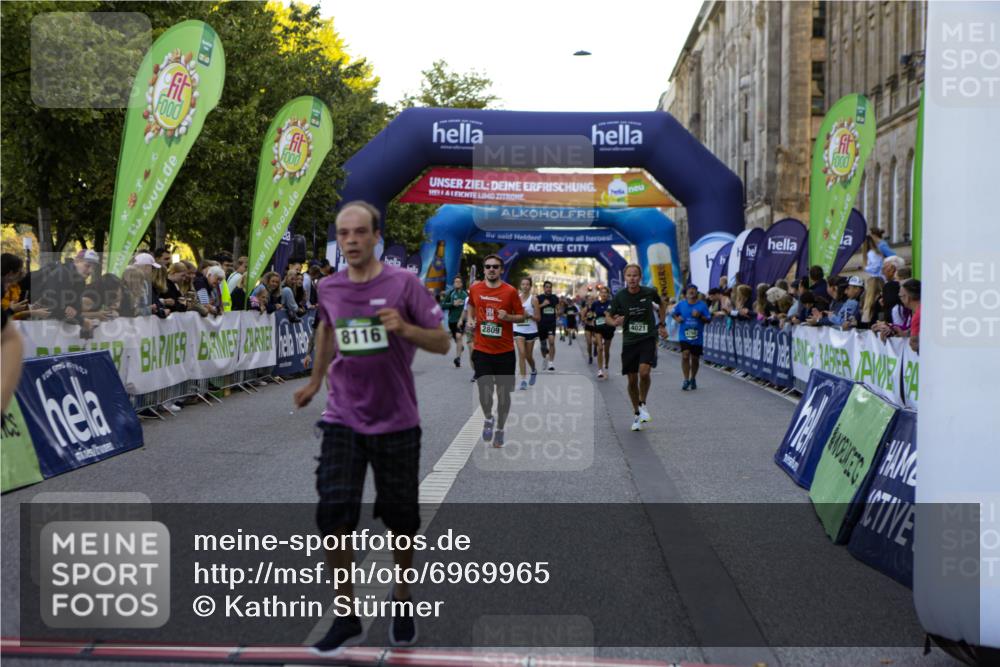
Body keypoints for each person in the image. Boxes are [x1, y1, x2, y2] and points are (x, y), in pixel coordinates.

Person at [293, 201, 449, 653]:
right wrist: (316, 381)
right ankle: (345, 616)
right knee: (333, 514)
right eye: (344, 234)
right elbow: (326, 329)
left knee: (401, 521)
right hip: (343, 418)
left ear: (376, 236)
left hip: (397, 421)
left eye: (360, 232)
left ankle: (402, 599)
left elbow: (442, 341)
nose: (352, 241)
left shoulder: (405, 284)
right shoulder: (330, 287)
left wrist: (404, 328)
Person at [465, 255, 525, 447]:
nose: (491, 269)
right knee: (484, 390)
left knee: (503, 394)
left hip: (505, 351)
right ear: (484, 269)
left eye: (495, 267)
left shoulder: (510, 292)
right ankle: (489, 417)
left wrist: (508, 317)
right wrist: (470, 320)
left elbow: (522, 317)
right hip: (482, 349)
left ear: (501, 270)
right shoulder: (475, 288)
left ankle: (500, 428)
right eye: (488, 266)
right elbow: (472, 305)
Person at [607, 265, 667, 431]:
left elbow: (662, 304)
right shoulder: (620, 296)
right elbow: (608, 316)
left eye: (635, 275)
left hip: (647, 338)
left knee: (644, 372)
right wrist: (613, 322)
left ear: (640, 277)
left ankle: (643, 404)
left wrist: (662, 324)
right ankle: (636, 413)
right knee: (632, 380)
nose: (632, 278)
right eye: (629, 276)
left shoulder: (648, 292)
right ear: (625, 278)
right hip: (629, 342)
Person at [672, 284, 712, 390]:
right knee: (685, 355)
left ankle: (693, 378)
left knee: (695, 358)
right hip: (684, 335)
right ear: (686, 292)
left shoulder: (702, 305)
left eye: (694, 289)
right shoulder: (681, 304)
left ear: (697, 292)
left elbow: (709, 320)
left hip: (697, 337)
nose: (692, 291)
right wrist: (677, 319)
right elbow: (673, 313)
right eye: (690, 289)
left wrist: (699, 316)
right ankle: (686, 379)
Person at [512, 276, 541, 390]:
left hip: (531, 330)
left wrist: (529, 316)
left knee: (528, 355)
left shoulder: (534, 300)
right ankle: (523, 380)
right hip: (518, 329)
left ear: (530, 286)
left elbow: (538, 318)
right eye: (523, 284)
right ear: (520, 286)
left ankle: (533, 370)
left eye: (527, 284)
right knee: (522, 353)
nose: (525, 286)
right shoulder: (516, 298)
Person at [441, 276, 469, 368]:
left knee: (459, 336)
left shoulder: (466, 295)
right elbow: (443, 305)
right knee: (457, 339)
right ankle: (460, 347)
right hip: (451, 321)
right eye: (455, 282)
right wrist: (452, 304)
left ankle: (458, 359)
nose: (456, 283)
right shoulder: (450, 293)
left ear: (461, 284)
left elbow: (470, 308)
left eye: (458, 282)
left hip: (461, 320)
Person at [535, 281, 559, 371]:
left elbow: (558, 308)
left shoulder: (554, 298)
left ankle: (551, 363)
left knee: (552, 342)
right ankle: (545, 358)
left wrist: (558, 312)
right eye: (547, 287)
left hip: (551, 323)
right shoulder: (539, 297)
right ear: (544, 288)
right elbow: (535, 308)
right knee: (543, 346)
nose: (548, 289)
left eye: (550, 287)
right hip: (541, 324)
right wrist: (543, 305)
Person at [591, 286, 614, 380]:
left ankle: (606, 365)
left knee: (607, 350)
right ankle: (600, 370)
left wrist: (609, 315)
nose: (604, 294)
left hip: (608, 329)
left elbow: (616, 314)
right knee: (600, 348)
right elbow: (590, 314)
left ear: (608, 294)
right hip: (598, 328)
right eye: (602, 292)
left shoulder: (611, 304)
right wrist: (591, 318)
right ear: (599, 294)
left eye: (605, 293)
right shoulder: (595, 304)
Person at [581, 293, 597, 364]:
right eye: (589, 300)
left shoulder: (596, 308)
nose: (590, 301)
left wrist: (595, 320)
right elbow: (582, 318)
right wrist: (586, 320)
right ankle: (590, 356)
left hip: (595, 327)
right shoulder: (585, 309)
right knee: (589, 343)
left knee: (595, 341)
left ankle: (595, 348)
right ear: (587, 301)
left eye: (592, 299)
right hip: (588, 327)